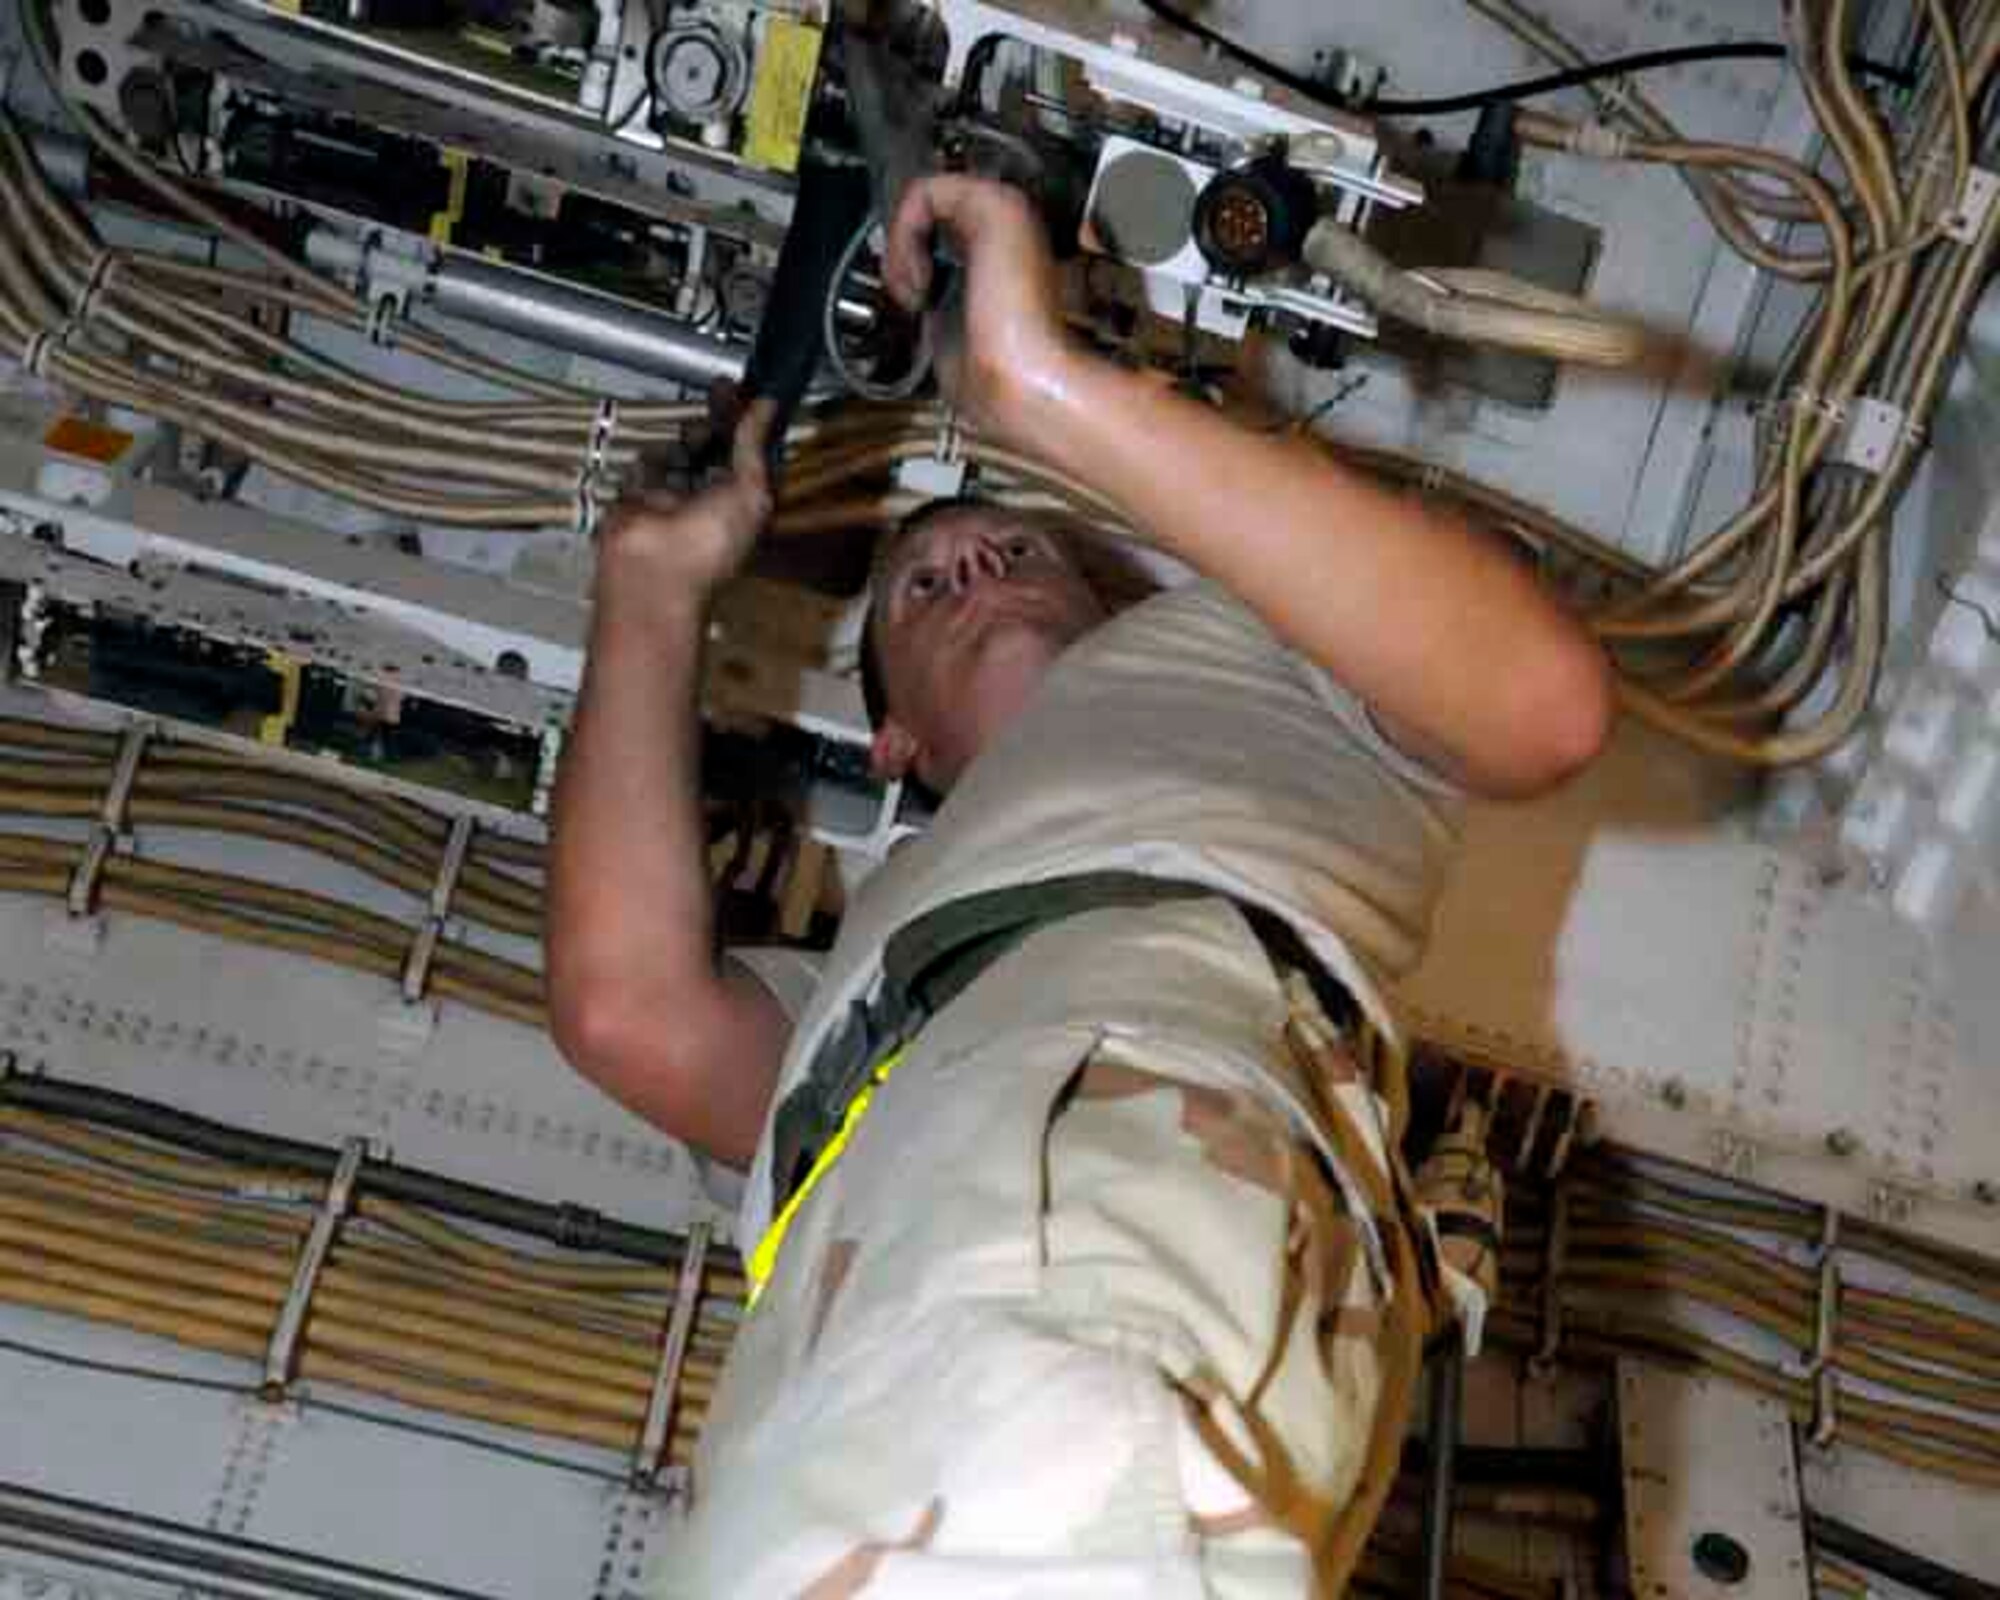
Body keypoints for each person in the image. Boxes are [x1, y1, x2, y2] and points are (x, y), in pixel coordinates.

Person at [548, 174, 1612, 1596]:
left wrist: (1048, 392)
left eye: (1014, 545)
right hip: (874, 1333)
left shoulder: (1263, 661)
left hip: (1090, 1238)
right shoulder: (876, 963)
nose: (969, 554)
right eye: (920, 587)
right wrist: (649, 589)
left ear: (1113, 602)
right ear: (896, 746)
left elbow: (1540, 703)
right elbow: (629, 1014)